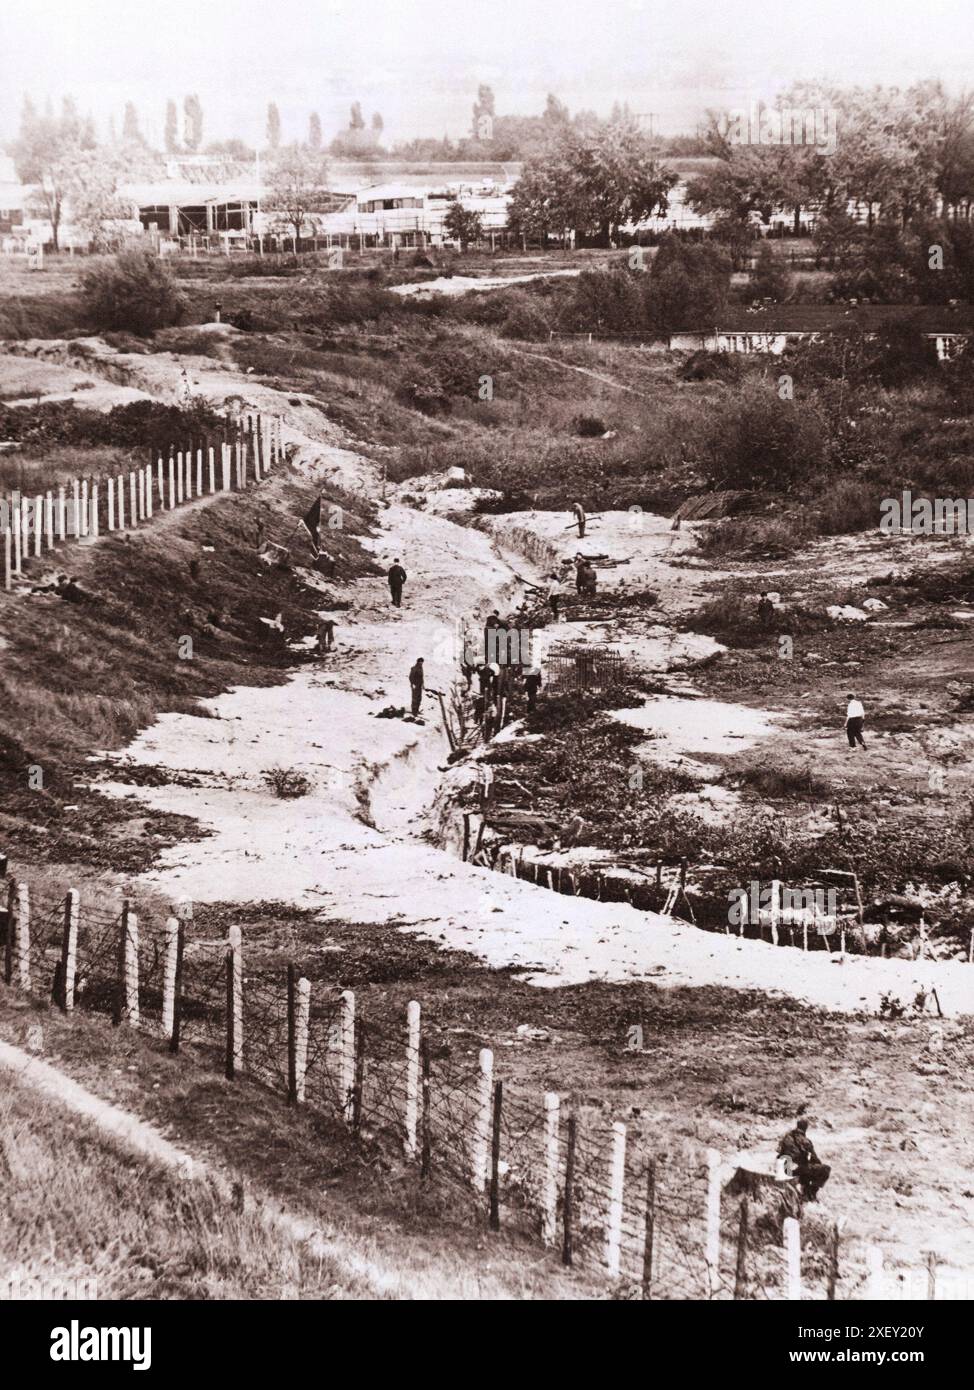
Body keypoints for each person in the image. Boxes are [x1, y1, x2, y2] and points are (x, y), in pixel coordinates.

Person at [777, 1119, 831, 1202]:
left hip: (784, 1168)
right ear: (806, 1128)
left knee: (806, 1168)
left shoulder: (786, 1137)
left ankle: (805, 1189)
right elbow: (815, 1159)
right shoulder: (805, 1141)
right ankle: (810, 1193)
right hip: (795, 1170)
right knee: (825, 1169)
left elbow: (779, 1152)